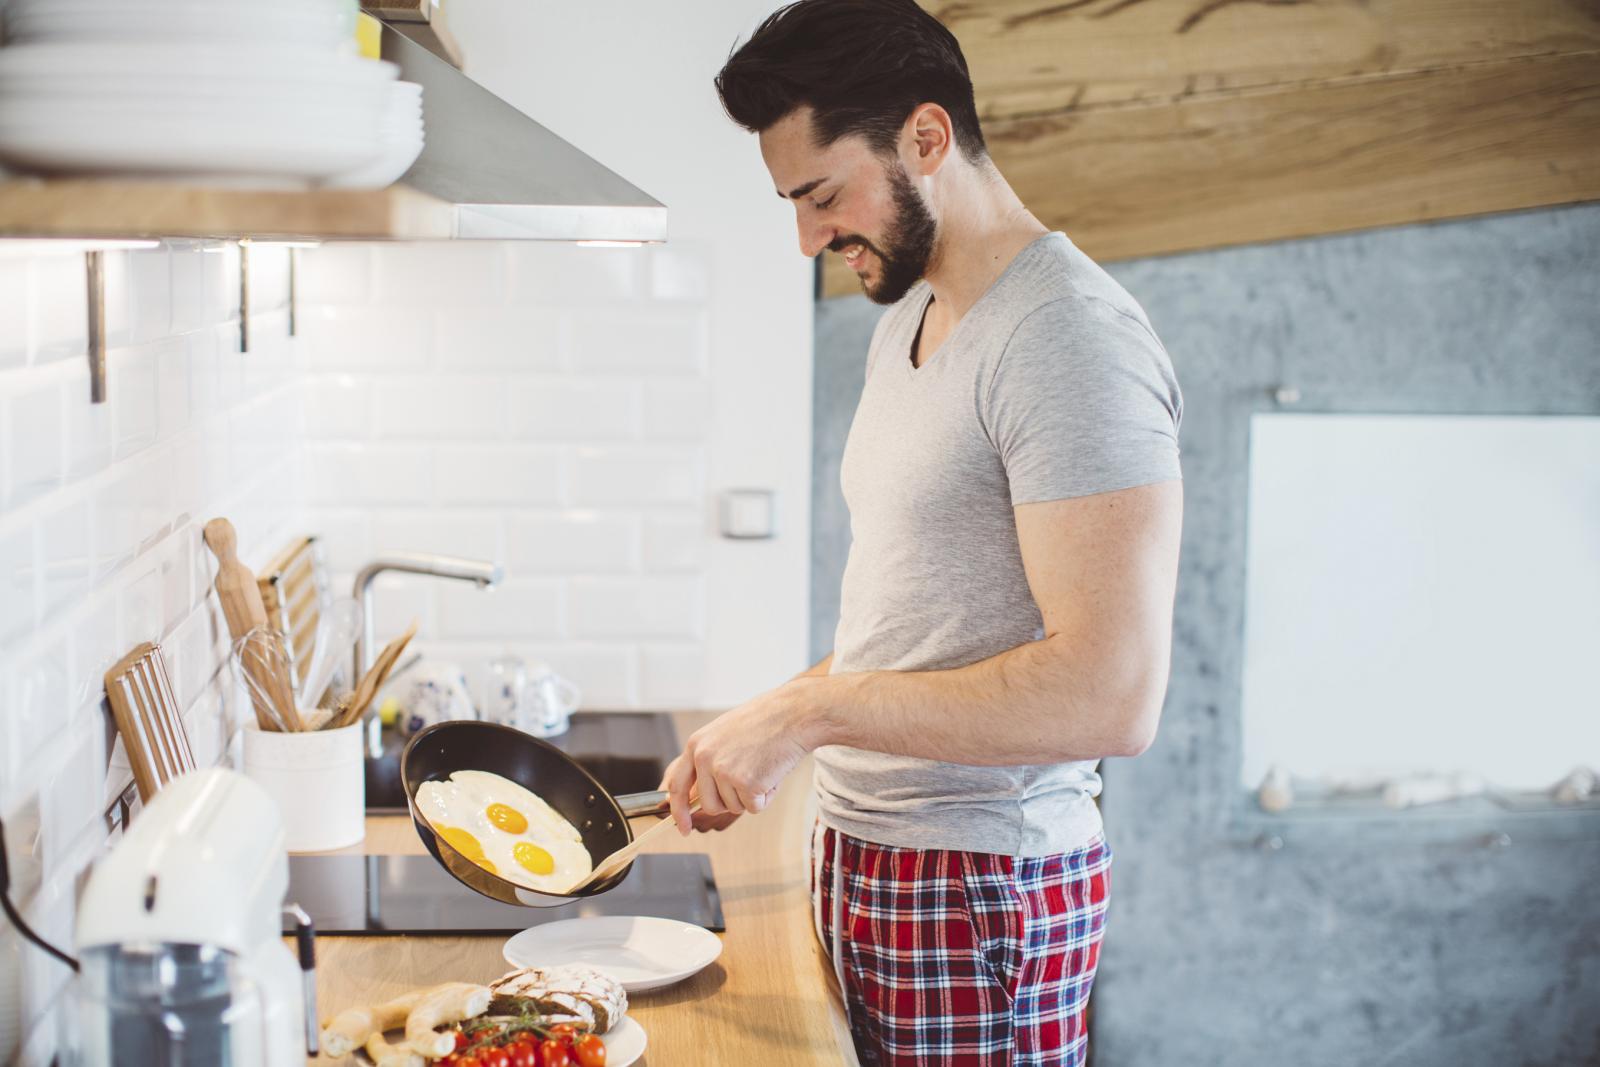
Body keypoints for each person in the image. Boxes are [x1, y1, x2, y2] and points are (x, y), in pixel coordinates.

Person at [659, 1, 1184, 1063]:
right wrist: (769, 722)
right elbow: (914, 620)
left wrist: (808, 711)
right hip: (867, 852)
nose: (807, 237)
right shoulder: (906, 316)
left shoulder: (1068, 341)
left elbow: (1111, 694)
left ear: (927, 139)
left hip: (979, 885)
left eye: (820, 194)